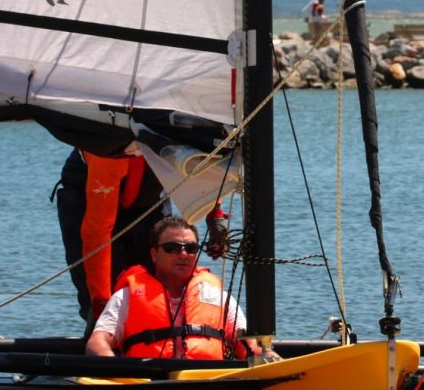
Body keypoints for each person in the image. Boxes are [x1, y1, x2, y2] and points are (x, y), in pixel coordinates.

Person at [86, 216, 276, 361]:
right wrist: (115, 369)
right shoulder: (127, 297)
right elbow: (97, 342)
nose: (183, 254)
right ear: (154, 254)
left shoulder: (218, 297)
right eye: (172, 248)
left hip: (209, 386)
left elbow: (249, 344)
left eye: (191, 248)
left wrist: (268, 356)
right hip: (148, 387)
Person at [54, 147, 166, 324]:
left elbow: (211, 169)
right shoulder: (108, 151)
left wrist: (215, 216)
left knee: (160, 287)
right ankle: (100, 334)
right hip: (89, 194)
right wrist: (100, 304)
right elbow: (97, 230)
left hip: (147, 197)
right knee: (105, 300)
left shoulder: (178, 138)